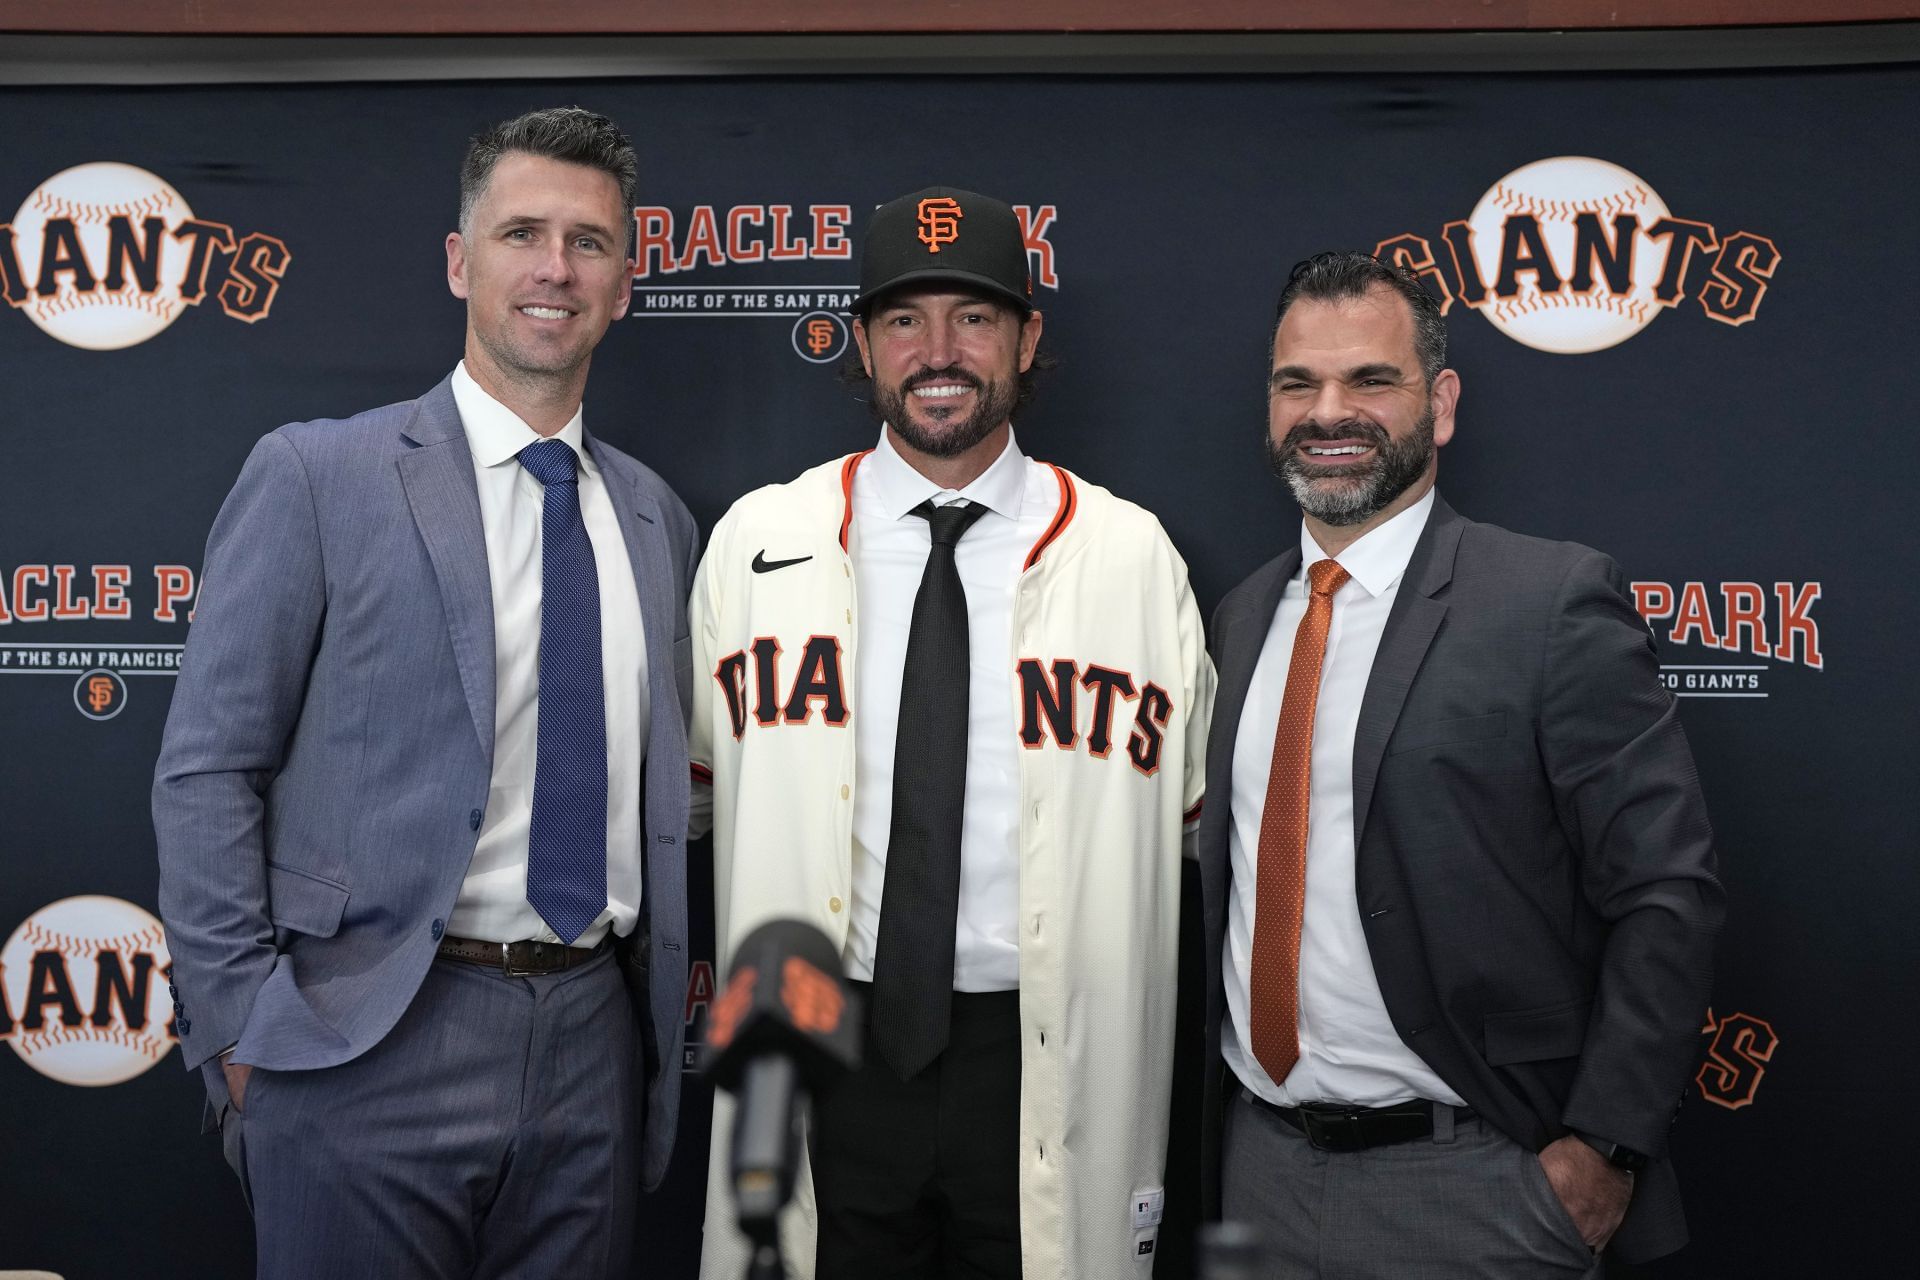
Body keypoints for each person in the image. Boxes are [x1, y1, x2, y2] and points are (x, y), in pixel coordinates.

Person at [152, 106, 697, 1279]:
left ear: (625, 282)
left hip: (594, 1038)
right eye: (522, 233)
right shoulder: (318, 474)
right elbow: (207, 769)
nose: (555, 267)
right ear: (461, 261)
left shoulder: (656, 516)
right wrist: (244, 1029)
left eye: (590, 242)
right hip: (365, 1035)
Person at [690, 186, 1213, 1279]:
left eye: (973, 316)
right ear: (863, 345)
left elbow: (1204, 826)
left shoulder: (1131, 555)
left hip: (1039, 1044)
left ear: (1026, 337)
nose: (938, 350)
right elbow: (691, 799)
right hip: (832, 1040)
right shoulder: (758, 540)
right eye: (902, 319)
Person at [1198, 251, 1724, 1276]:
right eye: (1297, 382)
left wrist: (1602, 1152)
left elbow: (1667, 889)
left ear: (1438, 404)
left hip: (1480, 1182)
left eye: (1370, 379)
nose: (1327, 409)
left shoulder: (1550, 603)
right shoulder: (1239, 618)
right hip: (1258, 1169)